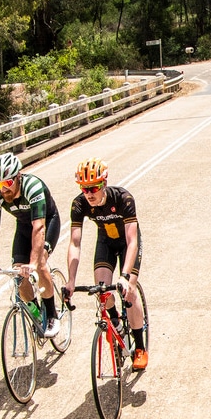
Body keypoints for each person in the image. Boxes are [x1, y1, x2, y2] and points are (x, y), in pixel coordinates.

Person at [62, 157, 148, 370]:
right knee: (103, 291)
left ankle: (139, 346)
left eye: (94, 187)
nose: (89, 194)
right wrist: (71, 280)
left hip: (128, 244)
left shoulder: (123, 199)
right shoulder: (79, 204)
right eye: (84, 189)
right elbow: (74, 242)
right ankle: (115, 321)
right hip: (106, 243)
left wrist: (126, 276)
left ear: (104, 184)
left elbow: (132, 240)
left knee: (128, 292)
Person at [0, 152, 61, 335]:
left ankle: (52, 315)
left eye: (7, 183)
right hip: (24, 226)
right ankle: (34, 310)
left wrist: (33, 263)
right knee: (18, 272)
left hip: (46, 222)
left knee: (41, 264)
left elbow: (38, 227)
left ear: (18, 176)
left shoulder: (32, 187)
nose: (3, 189)